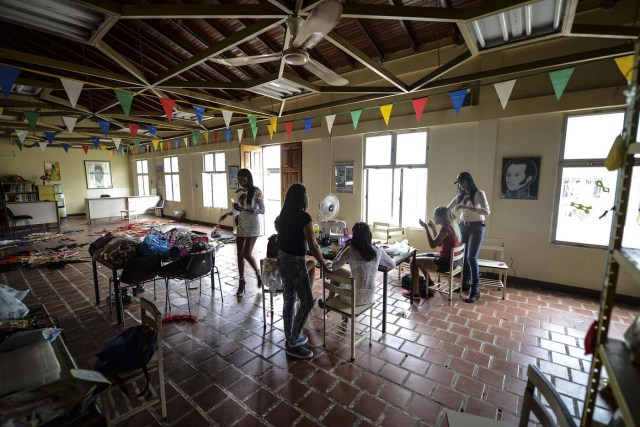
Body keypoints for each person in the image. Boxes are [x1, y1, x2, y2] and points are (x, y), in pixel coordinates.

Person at [275, 183, 329, 359]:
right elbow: (313, 245)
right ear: (302, 197)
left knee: (289, 300)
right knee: (307, 302)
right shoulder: (304, 217)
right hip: (296, 263)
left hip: (282, 259)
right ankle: (294, 341)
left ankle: (290, 336)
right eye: (306, 194)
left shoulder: (283, 215)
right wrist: (323, 264)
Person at [318, 222, 395, 308]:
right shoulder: (378, 251)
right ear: (369, 236)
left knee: (336, 272)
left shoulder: (350, 250)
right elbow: (392, 264)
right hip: (369, 297)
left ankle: (328, 302)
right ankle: (328, 302)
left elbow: (334, 266)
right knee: (352, 277)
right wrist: (375, 263)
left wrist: (343, 249)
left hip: (351, 297)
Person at [219, 169, 265, 297]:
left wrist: (249, 210)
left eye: (243, 180)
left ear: (248, 178)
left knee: (247, 253)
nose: (241, 183)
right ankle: (241, 281)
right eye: (239, 181)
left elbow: (262, 210)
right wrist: (228, 214)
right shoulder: (238, 192)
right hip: (242, 225)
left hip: (253, 226)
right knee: (239, 254)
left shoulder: (256, 191)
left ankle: (258, 274)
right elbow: (237, 209)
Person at [447, 172, 490, 303]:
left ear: (469, 181)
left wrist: (467, 207)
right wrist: (445, 214)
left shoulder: (478, 194)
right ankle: (465, 283)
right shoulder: (459, 196)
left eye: (463, 182)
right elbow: (448, 208)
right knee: (463, 256)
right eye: (459, 183)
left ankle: (475, 290)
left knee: (472, 257)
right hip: (463, 227)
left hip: (477, 227)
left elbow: (486, 211)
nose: (461, 185)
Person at [402, 207, 461, 300]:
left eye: (435, 216)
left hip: (446, 263)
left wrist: (426, 228)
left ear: (440, 217)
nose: (434, 218)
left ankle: (415, 292)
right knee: (417, 257)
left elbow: (432, 245)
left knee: (413, 261)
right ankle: (429, 281)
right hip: (451, 260)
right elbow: (438, 243)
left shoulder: (445, 229)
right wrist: (433, 228)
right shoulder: (450, 227)